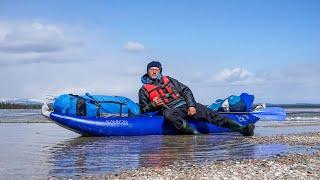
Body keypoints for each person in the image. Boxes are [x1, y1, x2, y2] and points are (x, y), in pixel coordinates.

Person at [138, 61, 255, 136]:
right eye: (151, 70)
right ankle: (195, 134)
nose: (153, 71)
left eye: (156, 69)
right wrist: (153, 105)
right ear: (147, 72)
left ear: (160, 71)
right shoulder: (143, 90)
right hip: (170, 110)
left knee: (212, 115)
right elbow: (143, 109)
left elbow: (186, 91)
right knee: (169, 114)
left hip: (185, 105)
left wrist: (191, 105)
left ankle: (242, 129)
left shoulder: (170, 80)